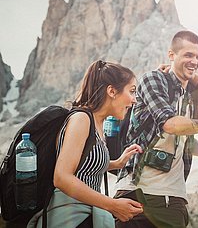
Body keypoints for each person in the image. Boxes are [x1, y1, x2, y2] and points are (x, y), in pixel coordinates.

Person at [114, 30, 198, 228]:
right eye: (188, 55)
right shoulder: (153, 79)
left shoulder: (193, 97)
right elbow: (170, 124)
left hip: (174, 199)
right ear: (171, 55)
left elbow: (186, 142)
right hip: (139, 194)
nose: (194, 61)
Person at [28, 60, 145, 227]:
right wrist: (112, 205)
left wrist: (117, 163)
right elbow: (61, 178)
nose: (134, 100)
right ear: (112, 91)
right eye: (132, 91)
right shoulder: (82, 119)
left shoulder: (98, 124)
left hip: (86, 214)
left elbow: (83, 166)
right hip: (69, 217)